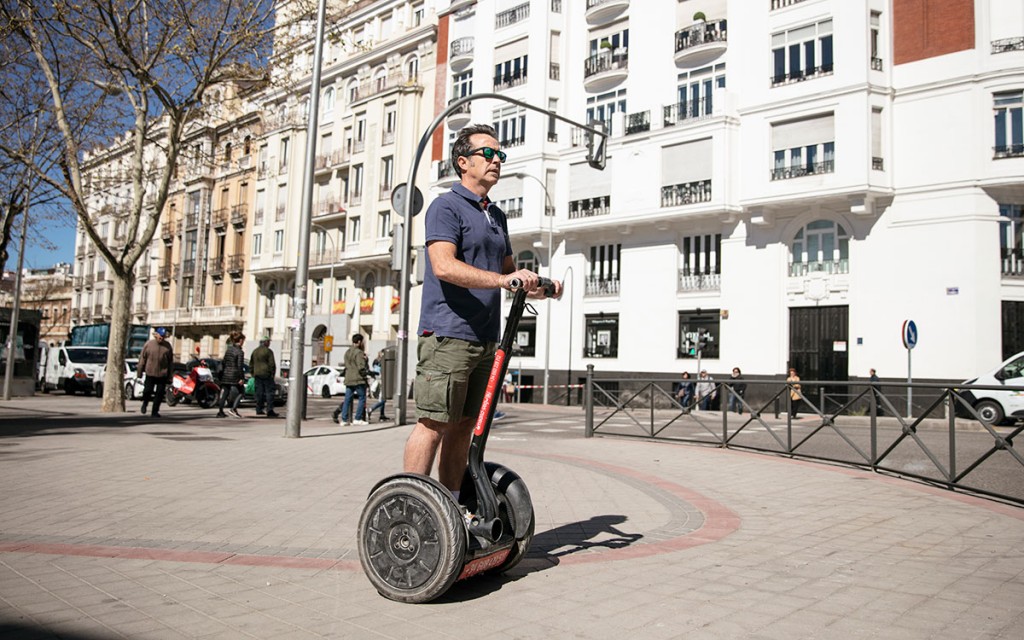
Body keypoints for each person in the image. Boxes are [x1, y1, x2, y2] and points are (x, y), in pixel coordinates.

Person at [402, 123, 561, 502]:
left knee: (464, 428)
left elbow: (508, 277)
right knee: (433, 424)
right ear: (463, 162)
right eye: (488, 154)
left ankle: (452, 507)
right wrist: (503, 282)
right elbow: (443, 266)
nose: (496, 161)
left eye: (500, 155)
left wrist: (542, 286)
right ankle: (409, 507)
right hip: (448, 334)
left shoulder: (496, 216)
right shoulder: (446, 206)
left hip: (486, 338)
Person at [138, 327, 174, 418]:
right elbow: (142, 358)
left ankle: (155, 411)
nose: (161, 338)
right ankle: (145, 403)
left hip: (162, 374)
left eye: (162, 336)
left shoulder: (167, 346)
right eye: (159, 336)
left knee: (159, 394)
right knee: (147, 391)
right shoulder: (149, 344)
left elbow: (170, 362)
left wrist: (170, 375)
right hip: (150, 372)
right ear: (156, 335)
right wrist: (140, 371)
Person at [336, 333, 370, 426]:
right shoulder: (359, 353)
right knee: (362, 398)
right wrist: (365, 365)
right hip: (358, 378)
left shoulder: (347, 352)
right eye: (362, 341)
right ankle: (358, 418)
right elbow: (361, 367)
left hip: (349, 378)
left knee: (347, 399)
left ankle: (344, 419)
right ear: (359, 342)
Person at [216, 331, 246, 418]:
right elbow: (240, 366)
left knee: (225, 392)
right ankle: (233, 409)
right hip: (235, 375)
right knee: (241, 391)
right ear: (240, 340)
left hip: (226, 375)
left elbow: (224, 362)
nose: (243, 342)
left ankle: (220, 411)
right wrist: (242, 378)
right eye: (243, 340)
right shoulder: (240, 352)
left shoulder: (228, 350)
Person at [249, 336, 278, 417]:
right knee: (269, 393)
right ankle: (270, 410)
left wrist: (253, 373)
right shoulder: (268, 351)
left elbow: (251, 364)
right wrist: (272, 374)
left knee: (259, 392)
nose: (269, 343)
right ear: (265, 342)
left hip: (257, 375)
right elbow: (272, 364)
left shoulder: (255, 351)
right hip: (267, 375)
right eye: (268, 342)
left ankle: (259, 409)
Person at [367, 350, 390, 423]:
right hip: (381, 381)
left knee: (382, 399)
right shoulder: (380, 362)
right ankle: (371, 409)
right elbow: (377, 372)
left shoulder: (376, 361)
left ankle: (382, 415)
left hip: (379, 380)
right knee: (383, 399)